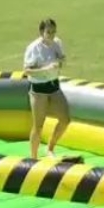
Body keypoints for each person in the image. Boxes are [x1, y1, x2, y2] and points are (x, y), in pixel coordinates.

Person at [23, 18, 71, 160]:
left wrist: (60, 61)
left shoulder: (57, 43)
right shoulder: (34, 48)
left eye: (53, 32)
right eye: (48, 32)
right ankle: (33, 157)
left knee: (65, 119)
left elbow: (62, 58)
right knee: (38, 126)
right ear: (42, 32)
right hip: (38, 89)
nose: (51, 35)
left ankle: (50, 147)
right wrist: (45, 69)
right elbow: (27, 70)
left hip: (54, 86)